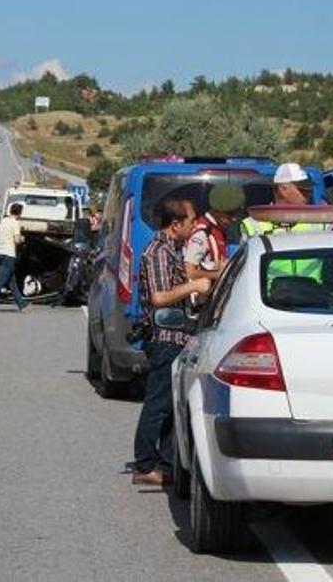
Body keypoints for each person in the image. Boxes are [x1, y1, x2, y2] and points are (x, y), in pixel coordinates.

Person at [131, 198, 212, 486]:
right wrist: (194, 285)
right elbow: (158, 297)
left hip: (178, 336)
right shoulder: (158, 253)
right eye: (190, 221)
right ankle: (144, 464)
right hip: (164, 337)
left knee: (169, 407)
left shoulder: (173, 251)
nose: (194, 226)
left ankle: (166, 465)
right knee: (157, 404)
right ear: (175, 224)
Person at [184, 183, 246, 282]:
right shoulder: (202, 234)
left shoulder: (218, 230)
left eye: (237, 213)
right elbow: (189, 272)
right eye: (230, 214)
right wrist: (219, 274)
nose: (234, 219)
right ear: (216, 210)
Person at [0, 203, 29, 312]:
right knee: (0, 280)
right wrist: (23, 239)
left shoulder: (2, 222)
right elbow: (17, 240)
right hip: (9, 254)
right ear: (20, 213)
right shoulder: (15, 224)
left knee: (11, 281)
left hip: (0, 252)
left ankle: (21, 303)